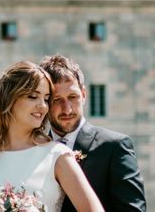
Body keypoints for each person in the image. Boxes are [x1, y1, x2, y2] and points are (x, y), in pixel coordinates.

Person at [0, 61, 105, 212]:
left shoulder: (57, 156)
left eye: (46, 98)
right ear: (10, 99)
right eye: (33, 96)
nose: (42, 106)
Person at [39, 54, 146, 212]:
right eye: (57, 100)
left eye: (72, 97)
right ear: (45, 102)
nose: (67, 109)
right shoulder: (34, 150)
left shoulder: (115, 147)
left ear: (83, 94)